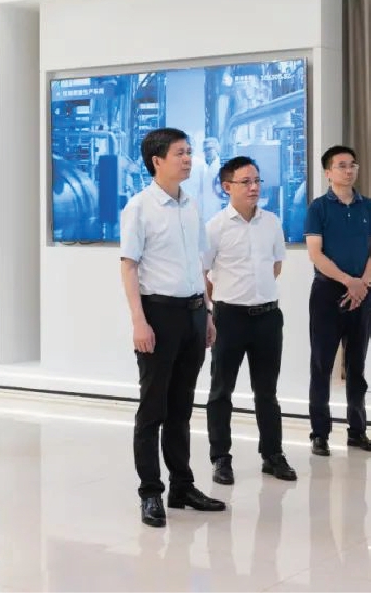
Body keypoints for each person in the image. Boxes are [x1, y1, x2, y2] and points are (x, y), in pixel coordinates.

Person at [119, 127, 226, 529]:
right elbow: (129, 266)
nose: (188, 159)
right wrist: (139, 321)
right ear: (157, 161)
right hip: (158, 315)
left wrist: (208, 313)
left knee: (181, 408)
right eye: (180, 153)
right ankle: (150, 492)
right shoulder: (139, 207)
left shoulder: (191, 205)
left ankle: (182, 486)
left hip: (194, 314)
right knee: (153, 410)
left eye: (189, 152)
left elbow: (199, 264)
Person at [203, 156, 296, 485]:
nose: (254, 187)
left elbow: (276, 266)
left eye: (257, 180)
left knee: (267, 392)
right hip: (229, 317)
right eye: (246, 182)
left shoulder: (271, 222)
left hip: (268, 317)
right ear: (227, 187)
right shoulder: (215, 227)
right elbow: (203, 273)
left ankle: (272, 455)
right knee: (221, 391)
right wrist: (214, 308)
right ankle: (221, 458)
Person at [304, 145, 371, 457]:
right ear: (328, 173)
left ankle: (357, 431)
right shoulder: (318, 208)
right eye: (341, 165)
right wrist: (348, 281)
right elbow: (315, 253)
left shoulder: (369, 207)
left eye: (352, 164)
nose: (349, 170)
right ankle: (319, 434)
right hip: (328, 293)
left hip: (362, 293)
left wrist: (361, 283)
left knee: (357, 366)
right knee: (321, 365)